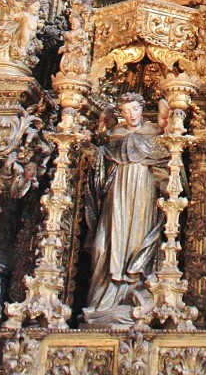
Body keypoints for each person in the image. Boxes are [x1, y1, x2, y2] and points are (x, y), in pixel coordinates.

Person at [83, 93, 169, 325]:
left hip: (143, 194)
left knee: (138, 242)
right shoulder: (114, 136)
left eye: (135, 109)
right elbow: (99, 165)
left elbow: (163, 165)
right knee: (105, 245)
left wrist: (166, 186)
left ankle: (135, 292)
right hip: (116, 195)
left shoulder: (152, 133)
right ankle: (104, 301)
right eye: (126, 111)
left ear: (142, 109)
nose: (131, 115)